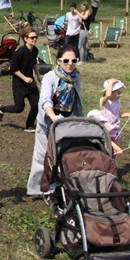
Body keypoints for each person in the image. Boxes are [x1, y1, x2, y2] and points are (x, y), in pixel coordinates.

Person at [26, 45, 83, 196]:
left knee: (65, 152)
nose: (70, 64)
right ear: (58, 61)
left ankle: (62, 182)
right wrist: (52, 116)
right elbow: (45, 100)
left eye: (73, 60)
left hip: (68, 119)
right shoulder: (50, 77)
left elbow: (76, 99)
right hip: (49, 119)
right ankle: (39, 188)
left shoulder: (76, 77)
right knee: (43, 155)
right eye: (66, 61)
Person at [0, 26, 39, 132]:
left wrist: (37, 76)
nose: (34, 39)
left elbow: (33, 65)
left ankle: (29, 125)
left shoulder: (35, 51)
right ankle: (2, 109)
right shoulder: (20, 52)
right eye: (32, 37)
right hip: (19, 82)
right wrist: (24, 78)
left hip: (30, 82)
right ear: (25, 39)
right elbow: (13, 68)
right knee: (19, 108)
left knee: (36, 104)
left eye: (36, 37)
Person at [100, 79, 130, 148]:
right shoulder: (104, 102)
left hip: (115, 131)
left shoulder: (117, 102)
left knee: (114, 150)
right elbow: (108, 94)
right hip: (105, 130)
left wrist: (127, 114)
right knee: (106, 148)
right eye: (118, 93)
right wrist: (111, 82)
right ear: (111, 92)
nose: (120, 95)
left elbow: (118, 114)